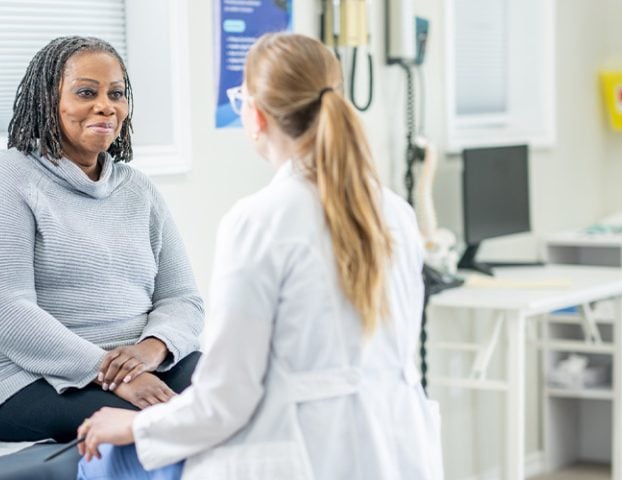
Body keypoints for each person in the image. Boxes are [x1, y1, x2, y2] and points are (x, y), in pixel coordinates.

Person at [76, 32, 443, 479]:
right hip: (394, 454)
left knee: (107, 464)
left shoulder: (261, 222)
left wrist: (135, 425)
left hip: (298, 457)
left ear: (256, 114)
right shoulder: (395, 213)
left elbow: (226, 399)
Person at [0, 36, 204, 443]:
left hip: (136, 365)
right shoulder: (5, 181)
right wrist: (108, 374)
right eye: (85, 92)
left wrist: (153, 348)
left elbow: (182, 297)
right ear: (47, 100)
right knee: (147, 422)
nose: (105, 106)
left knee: (245, 389)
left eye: (116, 94)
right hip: (12, 377)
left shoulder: (138, 190)